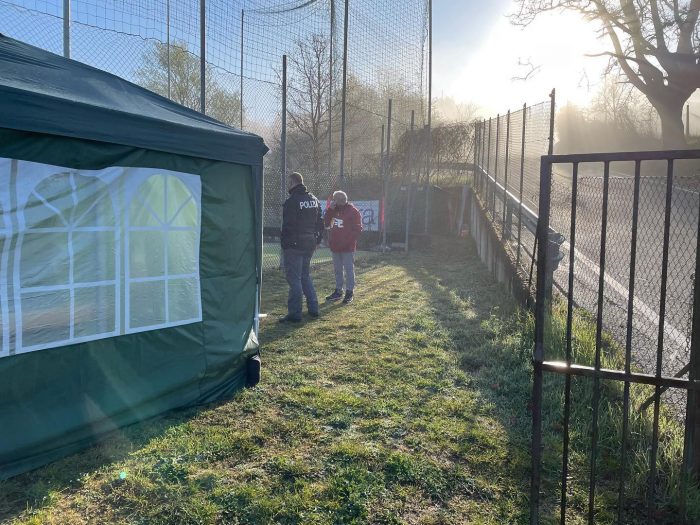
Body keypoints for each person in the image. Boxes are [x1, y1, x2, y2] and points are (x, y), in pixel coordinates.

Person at [279, 172, 324, 323]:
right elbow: (320, 222)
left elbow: (288, 225)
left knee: (294, 279)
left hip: (294, 244)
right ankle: (313, 308)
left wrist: (285, 243)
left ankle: (294, 314)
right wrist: (318, 239)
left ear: (292, 182)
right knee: (305, 275)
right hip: (309, 242)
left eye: (288, 183)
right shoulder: (314, 199)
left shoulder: (292, 201)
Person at [324, 190, 362, 305]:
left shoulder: (353, 211)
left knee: (349, 270)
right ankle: (338, 291)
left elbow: (358, 230)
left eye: (334, 200)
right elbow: (326, 223)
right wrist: (330, 210)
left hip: (347, 247)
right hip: (335, 246)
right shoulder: (333, 210)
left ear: (338, 201)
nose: (332, 202)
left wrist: (346, 241)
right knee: (337, 270)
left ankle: (349, 292)